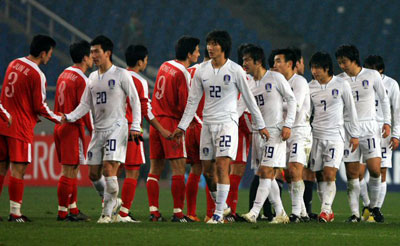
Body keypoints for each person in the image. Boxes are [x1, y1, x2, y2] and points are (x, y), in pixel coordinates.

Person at [172, 30, 268, 224]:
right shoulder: (201, 70)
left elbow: (249, 100)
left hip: (227, 124)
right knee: (208, 171)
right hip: (207, 123)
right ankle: (222, 206)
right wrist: (182, 126)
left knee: (223, 166)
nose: (210, 47)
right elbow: (193, 101)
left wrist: (261, 125)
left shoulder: (235, 70)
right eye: (209, 43)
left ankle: (216, 214)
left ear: (223, 47)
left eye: (214, 44)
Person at [62, 35, 142, 224]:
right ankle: (113, 201)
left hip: (117, 127)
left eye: (96, 51)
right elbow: (84, 105)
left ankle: (106, 214)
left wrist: (136, 125)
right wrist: (68, 117)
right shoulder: (91, 77)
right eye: (91, 52)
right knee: (93, 174)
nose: (93, 55)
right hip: (98, 130)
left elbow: (135, 100)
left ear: (108, 53)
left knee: (109, 169)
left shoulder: (122, 74)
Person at [0, 34, 62, 222]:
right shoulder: (37, 74)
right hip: (19, 127)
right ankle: (15, 213)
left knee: (1, 168)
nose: (50, 57)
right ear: (43, 53)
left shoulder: (13, 63)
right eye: (50, 53)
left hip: (3, 122)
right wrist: (59, 119)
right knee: (18, 169)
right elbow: (40, 106)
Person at [115, 44, 172, 223]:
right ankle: (123, 213)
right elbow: (146, 110)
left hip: (112, 128)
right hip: (132, 130)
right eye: (146, 60)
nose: (146, 63)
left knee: (113, 170)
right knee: (133, 171)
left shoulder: (115, 76)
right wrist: (162, 130)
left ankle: (109, 209)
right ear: (140, 62)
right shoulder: (139, 81)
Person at [147, 36, 200, 222]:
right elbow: (184, 104)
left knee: (155, 169)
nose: (199, 54)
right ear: (189, 53)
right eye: (196, 50)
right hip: (171, 124)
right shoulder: (183, 73)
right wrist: (195, 121)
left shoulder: (164, 65)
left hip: (156, 123)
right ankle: (178, 213)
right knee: (178, 168)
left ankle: (154, 211)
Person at [241, 45, 296, 224]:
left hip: (275, 132)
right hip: (257, 134)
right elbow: (241, 107)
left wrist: (288, 124)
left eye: (247, 60)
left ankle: (254, 213)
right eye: (243, 60)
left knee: (265, 171)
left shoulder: (275, 77)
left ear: (257, 61)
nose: (244, 63)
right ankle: (280, 213)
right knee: (267, 174)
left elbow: (292, 99)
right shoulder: (248, 82)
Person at [336, 45, 390, 223]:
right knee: (352, 175)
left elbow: (383, 98)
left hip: (370, 129)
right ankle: (355, 214)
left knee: (375, 170)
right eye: (339, 63)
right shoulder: (339, 80)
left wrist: (387, 122)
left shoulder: (372, 75)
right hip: (349, 130)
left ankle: (373, 207)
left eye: (344, 62)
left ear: (354, 60)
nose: (342, 66)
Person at [308, 52, 359, 223]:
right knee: (319, 175)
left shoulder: (341, 84)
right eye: (312, 68)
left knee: (330, 173)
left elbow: (351, 111)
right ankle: (327, 212)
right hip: (316, 135)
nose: (314, 71)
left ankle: (325, 209)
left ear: (327, 68)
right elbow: (307, 112)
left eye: (317, 68)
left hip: (335, 136)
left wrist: (354, 134)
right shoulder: (310, 87)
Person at [54, 40, 94, 222]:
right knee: (69, 170)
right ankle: (63, 212)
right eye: (91, 55)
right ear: (85, 57)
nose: (93, 58)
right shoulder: (82, 79)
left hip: (60, 125)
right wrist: (93, 131)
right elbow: (84, 109)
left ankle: (73, 208)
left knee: (73, 168)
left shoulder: (64, 74)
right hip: (72, 127)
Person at [273, 48, 311, 222]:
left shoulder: (299, 82)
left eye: (278, 61)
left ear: (289, 64)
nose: (275, 65)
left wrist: (275, 105)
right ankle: (302, 212)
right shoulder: (276, 82)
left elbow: (294, 106)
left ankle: (295, 213)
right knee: (288, 174)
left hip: (299, 131)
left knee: (295, 169)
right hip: (283, 132)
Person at [361, 55, 400, 220]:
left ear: (380, 70)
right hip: (363, 130)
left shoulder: (391, 84)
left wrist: (396, 134)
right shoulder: (361, 82)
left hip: (383, 132)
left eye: (372, 70)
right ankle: (367, 204)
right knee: (358, 171)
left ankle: (375, 209)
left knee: (381, 170)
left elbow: (397, 111)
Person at [291, 46, 317, 220]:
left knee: (304, 172)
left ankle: (303, 210)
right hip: (296, 131)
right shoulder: (303, 83)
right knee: (296, 172)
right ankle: (302, 211)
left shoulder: (302, 83)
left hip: (304, 131)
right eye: (301, 62)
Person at [185, 49, 209, 222]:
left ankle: (191, 212)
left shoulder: (189, 71)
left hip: (189, 126)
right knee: (212, 170)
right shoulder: (213, 72)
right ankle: (211, 213)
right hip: (205, 126)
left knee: (195, 169)